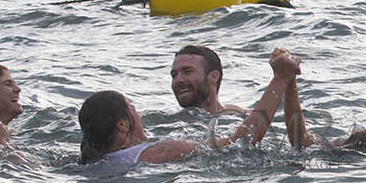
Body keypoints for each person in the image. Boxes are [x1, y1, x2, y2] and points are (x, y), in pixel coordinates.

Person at [78, 48, 300, 166]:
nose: (139, 112)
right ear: (122, 124)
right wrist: (280, 79)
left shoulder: (94, 158)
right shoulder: (163, 150)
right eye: (132, 107)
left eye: (187, 72)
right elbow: (242, 141)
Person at [170, 45, 246, 116]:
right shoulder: (166, 123)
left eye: (187, 72)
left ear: (214, 77)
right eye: (174, 75)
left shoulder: (239, 116)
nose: (178, 80)